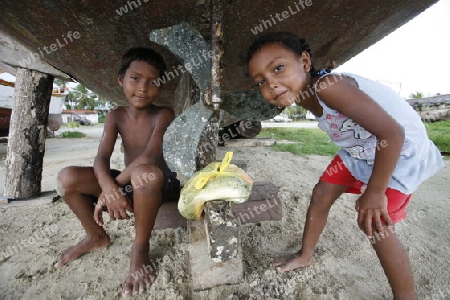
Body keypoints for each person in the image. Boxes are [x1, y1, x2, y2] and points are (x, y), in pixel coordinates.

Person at [247, 32, 444, 299]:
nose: (271, 83)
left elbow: (393, 134)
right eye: (261, 80)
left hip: (400, 153)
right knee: (322, 193)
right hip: (362, 151)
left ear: (304, 61)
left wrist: (374, 193)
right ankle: (305, 255)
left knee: (374, 222)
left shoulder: (329, 86)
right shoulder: (309, 98)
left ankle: (406, 296)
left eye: (278, 68)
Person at [55, 47, 180, 297]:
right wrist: (110, 189)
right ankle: (95, 235)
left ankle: (140, 249)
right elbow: (101, 157)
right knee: (66, 178)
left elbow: (150, 156)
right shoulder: (115, 115)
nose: (143, 87)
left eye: (152, 81)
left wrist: (110, 191)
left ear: (161, 86)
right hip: (128, 183)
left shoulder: (164, 114)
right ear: (121, 79)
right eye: (135, 78)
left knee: (146, 172)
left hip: (157, 184)